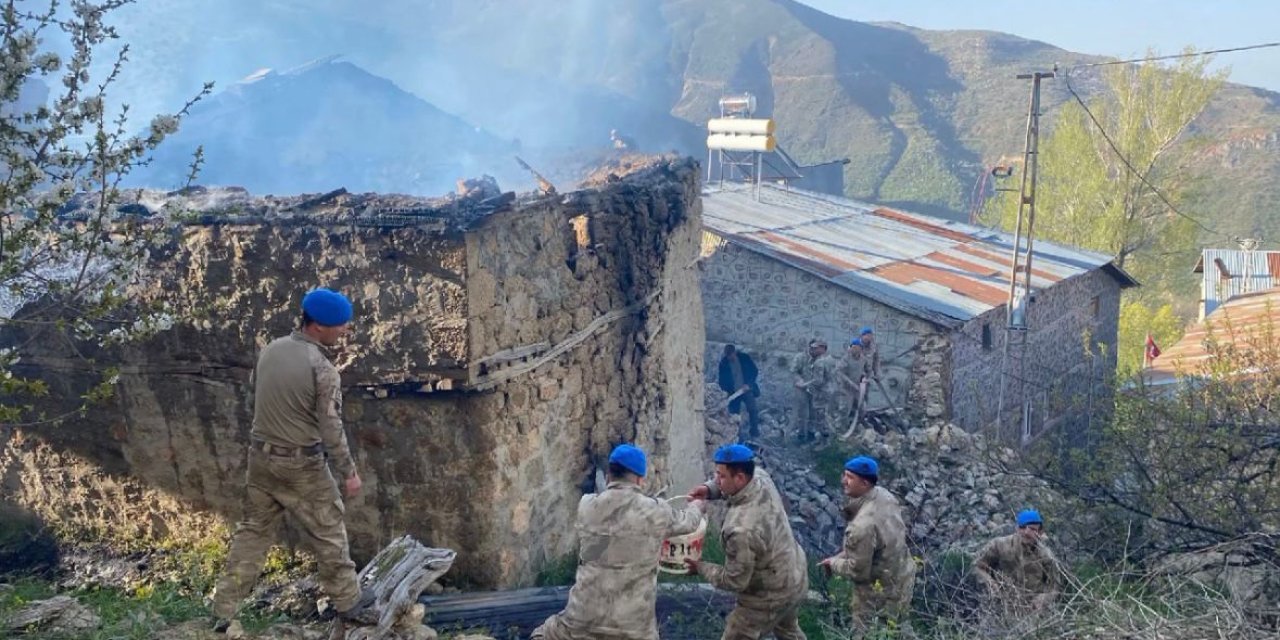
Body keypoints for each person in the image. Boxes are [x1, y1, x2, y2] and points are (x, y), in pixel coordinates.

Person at [212, 288, 375, 633]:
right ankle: (349, 603)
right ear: (317, 326)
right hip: (303, 466)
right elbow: (331, 427)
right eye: (340, 327)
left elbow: (256, 392)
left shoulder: (270, 349)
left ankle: (223, 608)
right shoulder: (323, 368)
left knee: (252, 534)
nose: (344, 332)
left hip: (261, 459)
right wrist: (349, 472)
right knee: (330, 530)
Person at [531, 444, 704, 640]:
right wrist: (697, 505)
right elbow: (690, 523)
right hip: (634, 632)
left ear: (607, 476)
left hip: (579, 624)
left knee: (542, 634)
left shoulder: (586, 506)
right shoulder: (657, 512)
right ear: (640, 480)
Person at [686, 444, 808, 640]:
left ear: (740, 477)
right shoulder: (760, 477)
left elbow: (735, 580)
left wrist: (700, 567)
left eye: (721, 476)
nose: (717, 480)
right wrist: (710, 490)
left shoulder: (741, 528)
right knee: (788, 631)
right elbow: (734, 482)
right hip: (794, 576)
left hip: (767, 596)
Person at [819, 456, 915, 631]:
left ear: (864, 483)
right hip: (902, 578)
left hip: (877, 596)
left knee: (870, 633)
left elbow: (858, 572)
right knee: (897, 629)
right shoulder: (884, 496)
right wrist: (843, 554)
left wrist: (833, 563)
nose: (843, 481)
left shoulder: (862, 526)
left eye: (849, 477)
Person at [973, 509, 1062, 611]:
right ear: (1016, 528)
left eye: (1032, 529)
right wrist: (990, 584)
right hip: (999, 607)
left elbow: (1055, 586)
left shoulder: (1046, 556)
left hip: (1032, 612)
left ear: (1040, 532)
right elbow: (977, 566)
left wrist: (1044, 598)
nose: (1026, 532)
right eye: (1022, 527)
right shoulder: (999, 545)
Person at [790, 338, 832, 442]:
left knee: (814, 412)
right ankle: (801, 434)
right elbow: (794, 371)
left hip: (815, 389)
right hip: (801, 388)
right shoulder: (800, 357)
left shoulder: (822, 360)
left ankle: (811, 433)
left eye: (822, 348)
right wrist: (800, 381)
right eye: (817, 348)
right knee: (803, 412)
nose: (819, 350)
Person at [717, 344, 762, 442]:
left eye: (731, 356)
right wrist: (725, 393)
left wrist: (748, 384)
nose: (730, 358)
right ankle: (737, 436)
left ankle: (754, 433)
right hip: (733, 393)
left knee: (753, 410)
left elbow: (754, 371)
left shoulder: (744, 358)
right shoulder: (723, 363)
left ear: (735, 353)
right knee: (734, 415)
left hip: (746, 389)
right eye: (728, 356)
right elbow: (722, 381)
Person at [829, 338, 866, 435]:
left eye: (856, 347)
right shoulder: (846, 358)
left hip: (857, 388)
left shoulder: (862, 358)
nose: (854, 349)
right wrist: (850, 383)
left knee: (862, 408)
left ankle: (857, 426)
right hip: (846, 388)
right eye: (852, 347)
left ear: (860, 348)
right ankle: (839, 428)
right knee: (844, 409)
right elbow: (839, 372)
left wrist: (864, 377)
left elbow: (864, 370)